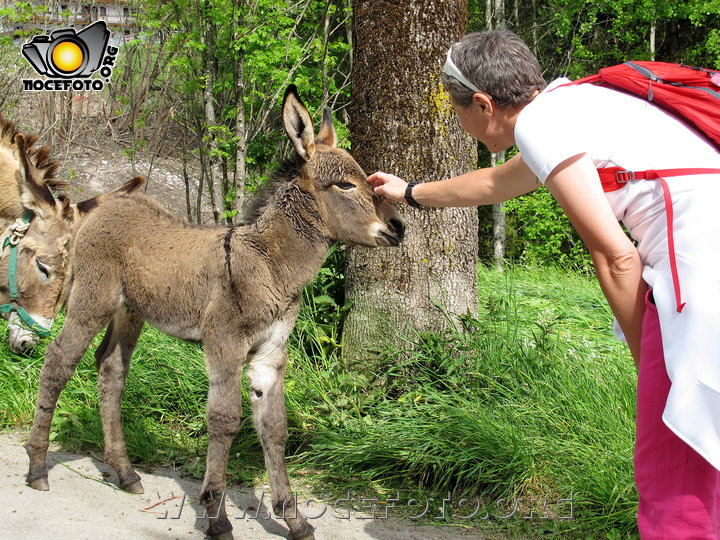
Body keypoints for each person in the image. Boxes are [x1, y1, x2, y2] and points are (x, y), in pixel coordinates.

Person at [367, 29, 720, 539]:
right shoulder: (583, 103)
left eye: (458, 111)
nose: (460, 124)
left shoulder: (541, 124)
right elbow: (495, 183)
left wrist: (648, 370)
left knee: (676, 477)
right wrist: (412, 192)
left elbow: (616, 256)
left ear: (484, 103)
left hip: (700, 289)